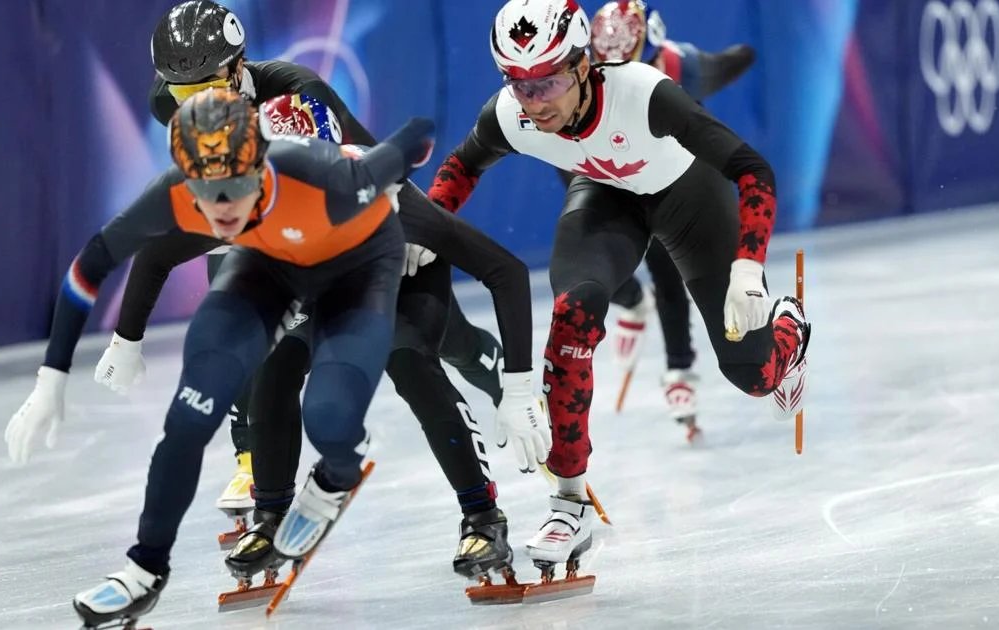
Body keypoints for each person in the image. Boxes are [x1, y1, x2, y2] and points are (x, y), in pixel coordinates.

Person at [428, 0, 810, 574]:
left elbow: (752, 169)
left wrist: (748, 267)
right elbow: (460, 169)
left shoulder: (644, 93)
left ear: (583, 66)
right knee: (571, 314)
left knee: (752, 375)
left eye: (549, 82)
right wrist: (419, 233)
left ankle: (790, 328)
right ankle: (569, 501)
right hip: (606, 197)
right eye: (519, 84)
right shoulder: (511, 113)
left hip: (688, 198)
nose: (537, 102)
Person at [67, 87, 434, 627]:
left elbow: (417, 137)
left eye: (236, 187)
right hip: (273, 269)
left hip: (357, 269)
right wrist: (112, 345)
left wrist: (416, 201)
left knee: (336, 412)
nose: (220, 208)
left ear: (262, 169)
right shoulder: (200, 195)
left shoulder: (336, 178)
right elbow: (145, 256)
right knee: (201, 410)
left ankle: (338, 469)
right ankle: (149, 566)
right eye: (205, 190)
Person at [578, 0, 758, 440]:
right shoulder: (583, 82)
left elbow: (725, 65)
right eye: (607, 66)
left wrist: (743, 54)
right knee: (586, 258)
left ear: (652, 51)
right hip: (603, 169)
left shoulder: (679, 66)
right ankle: (633, 302)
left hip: (665, 178)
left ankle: (679, 369)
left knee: (667, 266)